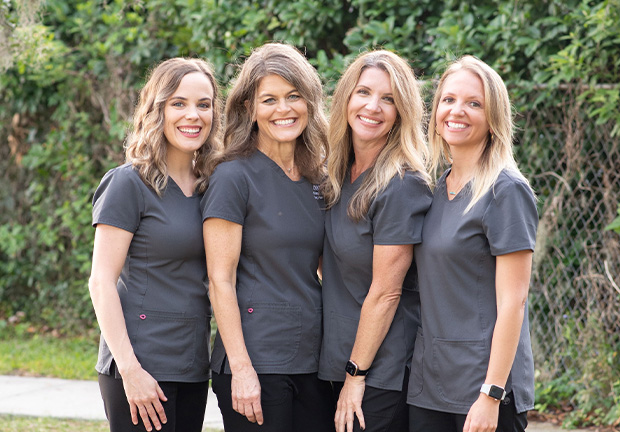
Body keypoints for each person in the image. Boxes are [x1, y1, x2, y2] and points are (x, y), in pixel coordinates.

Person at [201, 43, 335, 432]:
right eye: (270, 99)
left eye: (294, 96)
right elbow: (219, 280)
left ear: (309, 102)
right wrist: (241, 369)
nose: (284, 109)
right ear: (250, 109)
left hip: (312, 359)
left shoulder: (319, 178)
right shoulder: (232, 177)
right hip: (256, 363)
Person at [89, 57, 221, 432]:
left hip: (193, 364)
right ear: (156, 108)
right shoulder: (128, 184)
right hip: (140, 365)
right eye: (178, 103)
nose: (192, 115)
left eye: (204, 104)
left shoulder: (214, 187)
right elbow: (101, 282)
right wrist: (130, 371)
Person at [407, 55, 538, 432]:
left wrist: (491, 394)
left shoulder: (506, 191)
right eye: (448, 100)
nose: (457, 111)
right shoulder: (433, 189)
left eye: (473, 103)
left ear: (493, 116)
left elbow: (514, 301)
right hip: (429, 384)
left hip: (482, 389)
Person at [318, 50, 432, 432]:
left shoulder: (402, 184)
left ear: (403, 111)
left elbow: (386, 293)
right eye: (364, 92)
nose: (373, 106)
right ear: (346, 98)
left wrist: (356, 375)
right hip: (338, 356)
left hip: (378, 372)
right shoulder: (335, 172)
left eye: (389, 99)